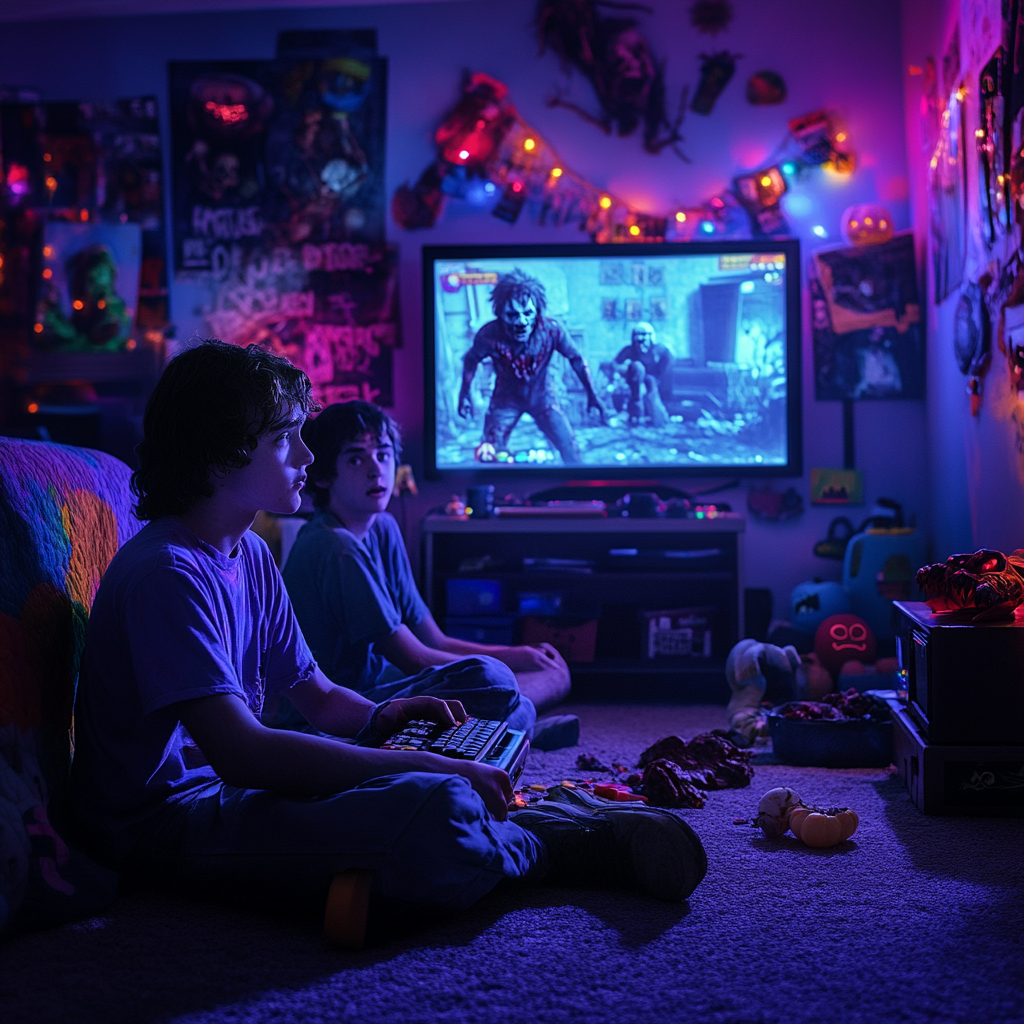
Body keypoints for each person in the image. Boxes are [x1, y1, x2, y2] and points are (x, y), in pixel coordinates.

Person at [69, 340, 707, 946]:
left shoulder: (251, 553)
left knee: (473, 716)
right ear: (219, 455)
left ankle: (405, 861)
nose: (308, 457)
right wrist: (432, 765)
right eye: (285, 439)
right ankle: (554, 842)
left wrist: (383, 717)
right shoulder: (168, 574)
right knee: (439, 810)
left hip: (231, 787)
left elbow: (317, 697)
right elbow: (244, 755)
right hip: (165, 824)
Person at [281, 400, 578, 750]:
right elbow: (414, 658)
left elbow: (434, 640)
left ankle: (510, 727)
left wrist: (517, 653)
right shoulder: (333, 546)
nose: (376, 470)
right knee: (493, 678)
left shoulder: (383, 528)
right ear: (322, 475)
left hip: (381, 682)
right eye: (355, 459)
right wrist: (506, 666)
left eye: (384, 454)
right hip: (338, 705)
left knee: (527, 675)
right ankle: (514, 726)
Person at [457, 269, 606, 464]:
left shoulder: (552, 330)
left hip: (543, 397)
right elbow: (471, 360)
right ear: (500, 313)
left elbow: (576, 359)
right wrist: (464, 393)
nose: (521, 322)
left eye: (527, 313)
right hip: (505, 400)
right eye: (512, 315)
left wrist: (592, 395)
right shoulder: (488, 334)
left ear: (537, 312)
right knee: (489, 454)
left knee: (571, 452)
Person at [611, 322, 672, 426]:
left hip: (653, 381)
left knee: (650, 383)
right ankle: (636, 415)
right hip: (633, 381)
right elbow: (615, 364)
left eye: (644, 337)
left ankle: (657, 419)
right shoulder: (629, 350)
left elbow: (667, 361)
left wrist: (659, 376)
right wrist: (624, 371)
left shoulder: (661, 350)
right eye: (637, 338)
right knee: (637, 368)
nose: (641, 341)